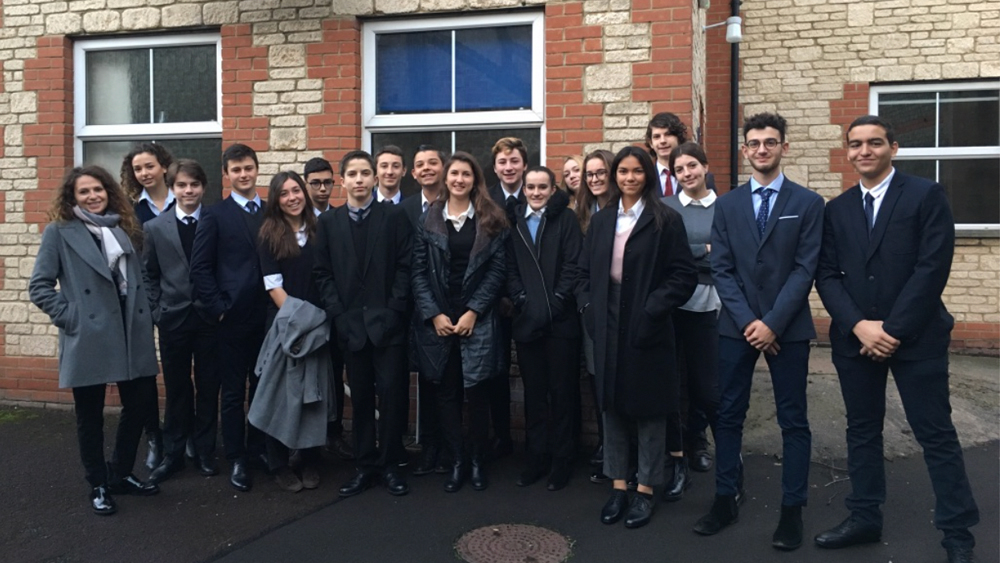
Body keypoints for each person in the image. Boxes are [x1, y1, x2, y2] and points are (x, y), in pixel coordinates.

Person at [814, 115, 979, 563]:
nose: (863, 151)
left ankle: (957, 533)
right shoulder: (837, 209)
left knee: (936, 434)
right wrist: (859, 326)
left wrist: (891, 330)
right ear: (847, 151)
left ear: (894, 147)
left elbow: (932, 269)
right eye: (855, 144)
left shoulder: (927, 196)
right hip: (856, 341)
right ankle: (864, 516)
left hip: (916, 338)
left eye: (874, 143)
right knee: (862, 432)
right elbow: (826, 275)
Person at [694, 113, 824, 551]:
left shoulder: (807, 203)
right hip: (737, 325)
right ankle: (726, 498)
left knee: (794, 420)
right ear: (744, 150)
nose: (762, 149)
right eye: (754, 143)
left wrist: (773, 323)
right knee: (729, 414)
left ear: (784, 147)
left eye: (771, 142)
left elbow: (806, 268)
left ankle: (792, 510)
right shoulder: (727, 205)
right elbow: (722, 268)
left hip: (787, 326)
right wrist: (751, 321)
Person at [29, 166, 161, 515]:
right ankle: (98, 483)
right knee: (90, 415)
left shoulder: (124, 228)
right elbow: (39, 286)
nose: (93, 196)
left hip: (131, 330)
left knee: (140, 405)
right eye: (84, 192)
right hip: (89, 332)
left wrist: (149, 309)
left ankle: (120, 473)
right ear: (72, 198)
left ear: (109, 192)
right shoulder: (59, 233)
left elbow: (141, 277)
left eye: (98, 190)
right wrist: (71, 317)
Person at [578, 146, 697, 529]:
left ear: (647, 175)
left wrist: (652, 308)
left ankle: (645, 489)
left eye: (637, 172)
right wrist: (588, 308)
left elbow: (684, 276)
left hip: (648, 321)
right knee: (610, 406)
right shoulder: (601, 221)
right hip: (606, 319)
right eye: (623, 172)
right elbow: (582, 273)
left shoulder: (665, 219)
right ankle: (618, 486)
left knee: (647, 409)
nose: (629, 178)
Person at [314, 150, 413, 498]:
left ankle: (390, 465)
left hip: (388, 325)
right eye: (352, 174)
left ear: (375, 178)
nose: (359, 179)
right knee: (359, 400)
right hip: (350, 326)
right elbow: (323, 273)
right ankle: (365, 465)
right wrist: (338, 314)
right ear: (343, 180)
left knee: (391, 397)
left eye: (365, 173)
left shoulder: (395, 216)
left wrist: (395, 310)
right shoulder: (328, 222)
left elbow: (405, 266)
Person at [411, 151, 508, 493]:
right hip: (440, 320)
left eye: (466, 174)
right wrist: (434, 314)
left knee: (477, 394)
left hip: (476, 319)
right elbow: (418, 272)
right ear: (446, 178)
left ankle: (478, 461)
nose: (459, 180)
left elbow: (498, 272)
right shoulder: (428, 219)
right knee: (447, 394)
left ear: (474, 179)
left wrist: (474, 311)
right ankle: (456, 462)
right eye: (454, 174)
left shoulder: (491, 217)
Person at [190, 143, 268, 493]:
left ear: (256, 169)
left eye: (248, 168)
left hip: (266, 317)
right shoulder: (214, 215)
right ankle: (237, 456)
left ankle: (259, 449)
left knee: (263, 387)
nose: (243, 174)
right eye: (236, 170)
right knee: (234, 392)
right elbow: (200, 268)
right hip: (231, 318)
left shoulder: (270, 211)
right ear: (227, 175)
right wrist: (219, 308)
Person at [251, 170, 332, 493]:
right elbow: (273, 286)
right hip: (286, 325)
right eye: (284, 193)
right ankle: (279, 463)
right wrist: (303, 319)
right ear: (276, 200)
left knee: (313, 394)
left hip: (318, 327)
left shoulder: (320, 229)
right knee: (281, 395)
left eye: (296, 190)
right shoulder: (268, 235)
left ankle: (311, 459)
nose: (292, 197)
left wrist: (317, 321)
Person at [143, 159, 220, 484]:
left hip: (208, 319)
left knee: (207, 387)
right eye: (182, 185)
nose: (189, 191)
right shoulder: (155, 228)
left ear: (203, 187)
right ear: (172, 188)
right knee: (176, 388)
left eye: (194, 185)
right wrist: (157, 311)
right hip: (172, 318)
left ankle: (204, 451)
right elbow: (149, 274)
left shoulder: (216, 222)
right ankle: (173, 453)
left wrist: (220, 306)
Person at [506, 166, 582, 491]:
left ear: (553, 189)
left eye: (542, 187)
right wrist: (523, 300)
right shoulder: (515, 223)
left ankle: (562, 461)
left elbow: (574, 265)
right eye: (531, 187)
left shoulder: (566, 221)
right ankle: (535, 458)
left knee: (563, 393)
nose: (536, 193)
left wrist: (556, 302)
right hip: (527, 324)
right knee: (534, 396)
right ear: (523, 189)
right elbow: (509, 269)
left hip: (561, 323)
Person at [661, 143, 721, 502]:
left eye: (692, 166)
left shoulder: (726, 207)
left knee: (705, 385)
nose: (687, 173)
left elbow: (730, 257)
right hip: (673, 306)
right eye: (680, 169)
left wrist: (691, 255)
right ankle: (675, 453)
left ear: (705, 166)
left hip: (712, 307)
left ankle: (699, 440)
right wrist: (703, 253)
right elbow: (669, 257)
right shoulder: (667, 208)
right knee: (672, 382)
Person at [120, 141, 173, 469]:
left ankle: (182, 434)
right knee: (145, 370)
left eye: (149, 166)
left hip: (178, 297)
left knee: (177, 370)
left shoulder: (183, 200)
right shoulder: (128, 209)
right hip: (140, 298)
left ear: (164, 166)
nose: (144, 173)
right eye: (138, 169)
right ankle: (153, 435)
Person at [401, 145, 450, 476]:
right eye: (420, 165)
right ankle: (429, 448)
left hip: (452, 310)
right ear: (413, 173)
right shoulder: (403, 210)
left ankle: (452, 449)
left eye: (433, 162)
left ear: (443, 168)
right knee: (429, 382)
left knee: (452, 384)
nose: (427, 168)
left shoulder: (456, 204)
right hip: (416, 309)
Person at [303, 156, 352, 461]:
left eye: (327, 183)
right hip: (305, 311)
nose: (322, 189)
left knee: (334, 372)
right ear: (305, 183)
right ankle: (306, 440)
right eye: (315, 183)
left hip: (334, 310)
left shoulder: (338, 218)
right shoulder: (296, 218)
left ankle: (334, 433)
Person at [574, 148, 618, 483]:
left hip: (620, 312)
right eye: (590, 174)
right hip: (591, 311)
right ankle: (605, 443)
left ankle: (621, 450)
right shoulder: (582, 213)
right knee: (596, 376)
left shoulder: (624, 210)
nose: (595, 179)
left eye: (601, 172)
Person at [486, 136, 528, 459]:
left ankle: (538, 441)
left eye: (514, 161)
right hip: (496, 302)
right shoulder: (486, 200)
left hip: (530, 299)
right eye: (502, 162)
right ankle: (501, 436)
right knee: (497, 371)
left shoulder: (536, 194)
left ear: (524, 165)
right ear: (495, 167)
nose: (509, 167)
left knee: (534, 372)